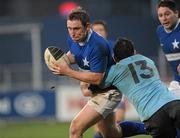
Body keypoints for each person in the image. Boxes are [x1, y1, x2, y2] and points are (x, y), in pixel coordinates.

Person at [49, 7, 122, 138]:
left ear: (88, 27)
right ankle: (144, 129)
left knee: (75, 129)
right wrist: (62, 61)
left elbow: (97, 78)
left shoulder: (97, 45)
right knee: (110, 134)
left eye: (76, 28)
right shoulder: (73, 38)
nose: (72, 33)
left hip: (109, 91)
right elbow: (74, 55)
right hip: (98, 90)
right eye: (69, 28)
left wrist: (67, 71)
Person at [98, 37, 180, 138]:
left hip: (153, 115)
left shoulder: (115, 71)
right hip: (174, 103)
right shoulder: (148, 60)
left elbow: (97, 82)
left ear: (115, 58)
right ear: (134, 52)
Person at [91, 20, 147, 138]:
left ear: (106, 32)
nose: (98, 33)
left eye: (101, 30)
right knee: (101, 132)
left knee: (117, 125)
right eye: (95, 31)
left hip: (116, 91)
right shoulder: (90, 51)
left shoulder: (114, 47)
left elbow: (130, 62)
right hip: (99, 93)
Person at [156, 0, 180, 95]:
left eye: (167, 14)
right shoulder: (160, 31)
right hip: (177, 82)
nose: (164, 18)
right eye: (160, 15)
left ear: (176, 13)